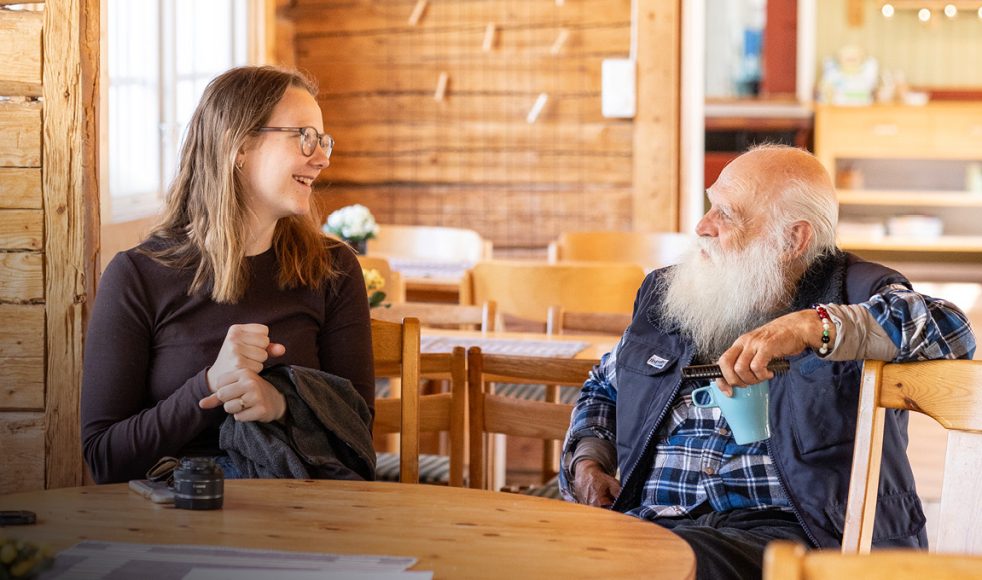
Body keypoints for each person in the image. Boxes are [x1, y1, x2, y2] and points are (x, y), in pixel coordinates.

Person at [558, 144, 976, 579]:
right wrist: (588, 459)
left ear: (793, 239)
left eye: (727, 214)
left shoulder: (857, 290)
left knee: (667, 563)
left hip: (797, 538)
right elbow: (605, 384)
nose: (702, 226)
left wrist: (815, 326)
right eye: (709, 206)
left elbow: (954, 332)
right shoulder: (671, 291)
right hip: (650, 524)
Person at [82, 66, 374, 484]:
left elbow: (357, 435)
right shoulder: (136, 276)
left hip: (299, 517)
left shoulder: (334, 269)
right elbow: (105, 460)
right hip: (175, 521)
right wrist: (210, 387)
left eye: (323, 140)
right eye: (304, 137)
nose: (323, 157)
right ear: (238, 146)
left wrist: (283, 403)